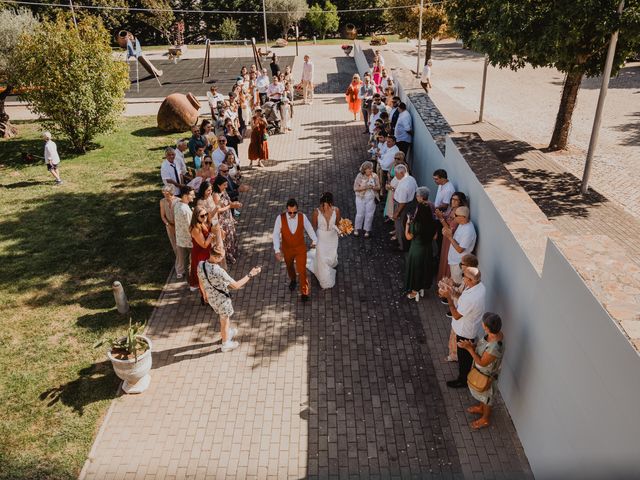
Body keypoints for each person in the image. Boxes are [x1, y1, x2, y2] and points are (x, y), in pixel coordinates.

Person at [198, 244, 262, 353]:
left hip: (211, 298)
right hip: (222, 300)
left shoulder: (201, 264)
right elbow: (236, 285)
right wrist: (251, 274)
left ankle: (227, 333)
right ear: (217, 257)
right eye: (222, 256)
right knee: (224, 321)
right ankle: (225, 343)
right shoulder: (219, 271)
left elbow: (200, 279)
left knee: (224, 319)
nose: (223, 258)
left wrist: (204, 294)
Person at [458, 312, 505, 430]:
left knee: (487, 398)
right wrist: (472, 345)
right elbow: (482, 347)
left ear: (487, 328)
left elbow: (482, 362)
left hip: (487, 375)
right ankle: (481, 407)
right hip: (482, 371)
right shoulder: (494, 334)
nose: (482, 324)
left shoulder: (494, 348)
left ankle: (485, 418)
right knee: (483, 396)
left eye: (483, 324)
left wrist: (469, 349)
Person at [442, 266, 486, 388]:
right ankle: (464, 373)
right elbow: (462, 297)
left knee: (464, 357)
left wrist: (448, 298)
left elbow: (456, 315)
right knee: (464, 355)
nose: (462, 278)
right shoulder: (479, 286)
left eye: (464, 276)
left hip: (464, 331)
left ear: (471, 280)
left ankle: (462, 380)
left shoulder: (471, 298)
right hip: (469, 327)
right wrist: (453, 291)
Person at [273, 198, 318, 302]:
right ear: (286, 210)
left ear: (297, 209)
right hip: (287, 249)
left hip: (300, 248)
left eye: (294, 212)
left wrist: (314, 240)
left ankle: (304, 292)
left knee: (301, 270)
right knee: (289, 266)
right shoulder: (280, 218)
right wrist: (277, 250)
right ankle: (293, 279)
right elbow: (275, 234)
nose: (292, 214)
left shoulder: (302, 217)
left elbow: (309, 229)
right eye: (290, 212)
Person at [438, 253, 478, 363]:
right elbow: (460, 288)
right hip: (459, 312)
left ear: (469, 265)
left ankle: (455, 356)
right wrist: (452, 284)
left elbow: (462, 297)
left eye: (462, 264)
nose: (460, 265)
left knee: (455, 336)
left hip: (461, 316)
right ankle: (454, 354)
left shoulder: (470, 279)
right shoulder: (468, 276)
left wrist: (449, 293)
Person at [404, 187, 437, 301]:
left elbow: (408, 237)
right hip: (427, 248)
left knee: (416, 270)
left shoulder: (416, 224)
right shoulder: (433, 223)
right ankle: (422, 288)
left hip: (416, 249)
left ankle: (414, 291)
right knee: (424, 268)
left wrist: (408, 224)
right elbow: (435, 236)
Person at [308, 192, 341, 289]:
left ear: (331, 203)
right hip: (321, 238)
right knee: (321, 258)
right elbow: (313, 227)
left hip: (333, 238)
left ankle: (331, 263)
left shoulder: (336, 210)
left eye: (327, 205)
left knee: (331, 256)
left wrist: (340, 230)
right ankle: (324, 280)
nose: (325, 207)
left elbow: (338, 223)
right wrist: (313, 240)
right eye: (323, 205)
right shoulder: (316, 212)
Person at [435, 192, 468, 282]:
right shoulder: (452, 208)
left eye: (456, 200)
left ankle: (447, 284)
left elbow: (450, 230)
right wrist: (441, 214)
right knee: (443, 258)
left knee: (447, 260)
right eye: (452, 199)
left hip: (451, 239)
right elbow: (446, 217)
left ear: (461, 201)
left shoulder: (459, 213)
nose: (453, 201)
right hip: (446, 237)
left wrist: (441, 218)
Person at [213, 175, 241, 265]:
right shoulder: (216, 195)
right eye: (224, 185)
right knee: (227, 238)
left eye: (226, 184)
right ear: (218, 185)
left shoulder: (224, 191)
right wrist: (230, 206)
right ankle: (228, 257)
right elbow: (218, 210)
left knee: (232, 236)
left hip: (228, 217)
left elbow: (228, 202)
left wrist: (234, 204)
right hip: (222, 220)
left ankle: (234, 253)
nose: (226, 186)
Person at [444, 206, 477, 284]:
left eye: (456, 215)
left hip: (458, 263)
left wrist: (449, 237)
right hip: (454, 260)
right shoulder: (462, 224)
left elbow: (460, 249)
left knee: (457, 284)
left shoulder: (468, 231)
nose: (453, 216)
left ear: (463, 217)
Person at [189, 205, 215, 296]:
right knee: (203, 276)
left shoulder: (201, 222)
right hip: (200, 254)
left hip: (205, 252)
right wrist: (211, 236)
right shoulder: (196, 229)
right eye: (202, 216)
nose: (205, 217)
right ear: (196, 216)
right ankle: (205, 297)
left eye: (206, 214)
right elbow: (204, 245)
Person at [391, 164, 417, 251]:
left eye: (396, 174)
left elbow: (402, 202)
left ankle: (402, 246)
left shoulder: (403, 186)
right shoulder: (411, 178)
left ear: (402, 173)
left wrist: (396, 212)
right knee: (404, 224)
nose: (395, 175)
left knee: (400, 226)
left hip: (402, 206)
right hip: (411, 204)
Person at [353, 161, 380, 238]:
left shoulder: (375, 176)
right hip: (360, 198)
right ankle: (356, 229)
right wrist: (366, 187)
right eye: (369, 169)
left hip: (371, 198)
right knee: (360, 214)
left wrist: (373, 187)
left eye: (371, 168)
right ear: (364, 169)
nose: (371, 170)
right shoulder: (359, 176)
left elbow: (378, 187)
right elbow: (355, 188)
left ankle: (367, 230)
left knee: (370, 215)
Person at [173, 186, 195, 281]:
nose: (193, 196)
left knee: (187, 262)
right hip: (189, 241)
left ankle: (190, 281)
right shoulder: (185, 210)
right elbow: (190, 227)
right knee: (192, 262)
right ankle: (192, 282)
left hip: (181, 239)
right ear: (186, 196)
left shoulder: (177, 205)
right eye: (192, 195)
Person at [160, 185, 179, 275]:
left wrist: (176, 225)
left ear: (171, 193)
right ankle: (179, 262)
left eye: (166, 194)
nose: (165, 195)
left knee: (181, 244)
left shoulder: (178, 201)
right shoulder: (162, 202)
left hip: (179, 225)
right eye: (163, 193)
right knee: (174, 244)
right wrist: (168, 224)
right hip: (169, 225)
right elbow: (163, 216)